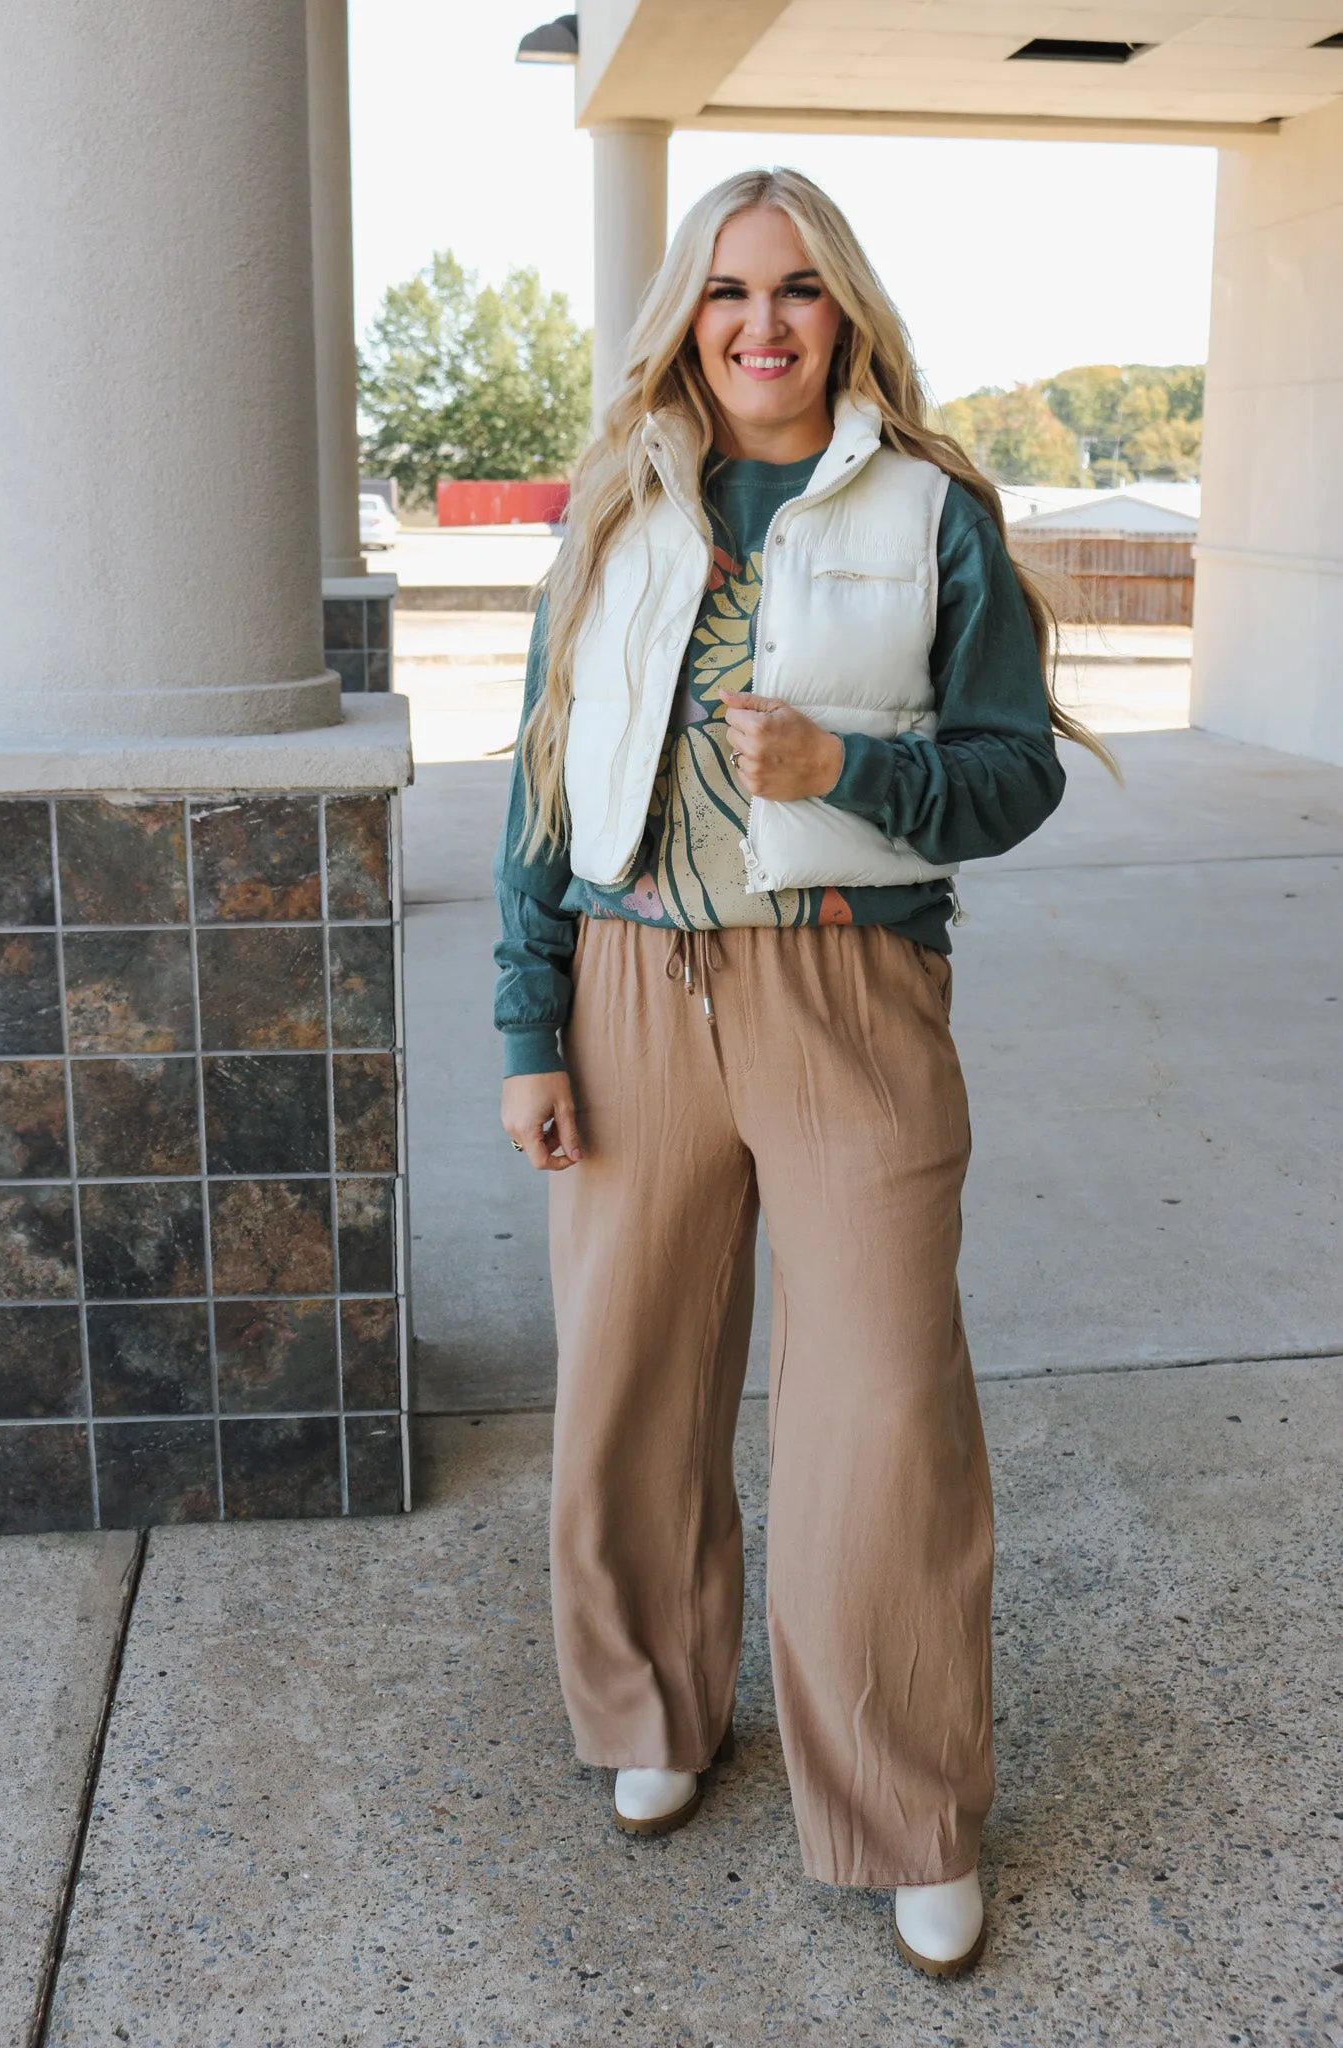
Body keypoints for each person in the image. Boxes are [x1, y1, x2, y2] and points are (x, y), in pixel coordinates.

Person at [492, 166, 1110, 1978]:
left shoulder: (932, 511)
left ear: (846, 312)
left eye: (799, 291)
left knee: (881, 1411)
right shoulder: (614, 511)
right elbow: (539, 787)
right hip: (626, 983)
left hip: (847, 995)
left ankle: (910, 1801)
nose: (761, 325)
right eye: (727, 293)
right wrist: (532, 1026)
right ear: (685, 317)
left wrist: (844, 763)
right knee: (631, 1381)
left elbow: (1014, 777)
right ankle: (656, 1714)